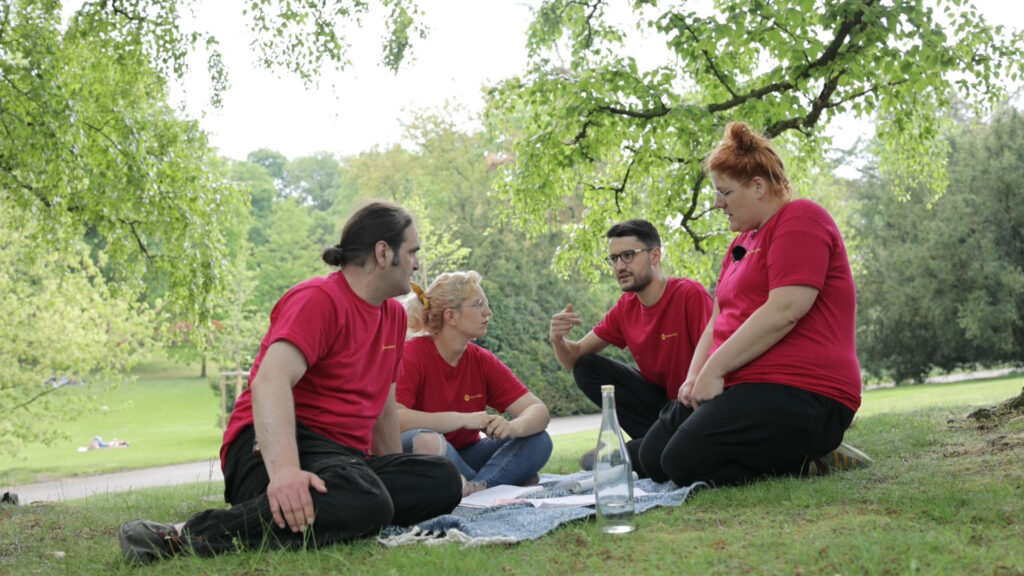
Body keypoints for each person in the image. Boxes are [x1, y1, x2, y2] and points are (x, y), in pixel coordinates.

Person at [118, 202, 462, 564]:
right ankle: (182, 535)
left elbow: (383, 416)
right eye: (412, 252)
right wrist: (284, 473)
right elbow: (271, 381)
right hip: (269, 448)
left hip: (343, 463)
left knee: (442, 479)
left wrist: (394, 475)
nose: (417, 264)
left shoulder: (393, 317)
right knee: (368, 500)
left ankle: (344, 508)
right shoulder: (318, 299)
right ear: (382, 252)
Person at [638, 122, 872, 488]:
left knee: (681, 463)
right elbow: (718, 317)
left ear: (758, 187)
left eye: (724, 192)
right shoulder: (741, 244)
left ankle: (810, 457)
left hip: (805, 390)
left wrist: (715, 370)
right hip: (745, 386)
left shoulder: (802, 219)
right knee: (653, 459)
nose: (717, 203)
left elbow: (786, 310)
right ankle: (789, 453)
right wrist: (694, 376)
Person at [549, 219, 714, 471]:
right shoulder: (625, 307)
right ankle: (648, 445)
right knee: (587, 367)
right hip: (662, 408)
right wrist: (558, 340)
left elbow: (715, 360)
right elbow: (574, 358)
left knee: (654, 456)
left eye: (628, 256)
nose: (619, 266)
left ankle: (630, 453)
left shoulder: (689, 294)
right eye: (614, 259)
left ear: (655, 255)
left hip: (696, 405)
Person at [398, 271, 552, 494]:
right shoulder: (412, 355)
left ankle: (476, 489)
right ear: (451, 316)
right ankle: (501, 482)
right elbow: (396, 419)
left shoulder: (481, 360)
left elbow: (538, 411)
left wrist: (513, 427)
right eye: (478, 304)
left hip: (468, 456)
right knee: (425, 441)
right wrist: (463, 420)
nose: (488, 312)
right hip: (429, 457)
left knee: (538, 439)